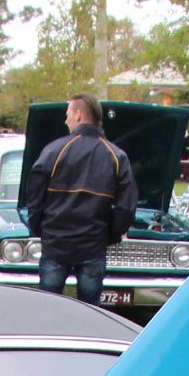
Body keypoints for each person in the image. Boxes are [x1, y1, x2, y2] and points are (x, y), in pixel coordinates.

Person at [22, 93, 138, 304]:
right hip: (93, 245)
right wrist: (109, 235)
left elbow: (34, 196)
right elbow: (126, 206)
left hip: (56, 244)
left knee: (47, 307)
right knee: (91, 312)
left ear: (78, 115)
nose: (65, 120)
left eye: (67, 114)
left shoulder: (54, 151)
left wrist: (40, 228)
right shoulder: (116, 156)